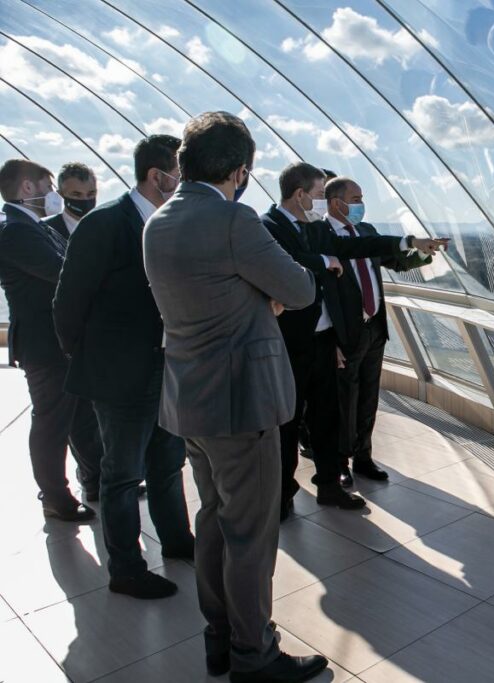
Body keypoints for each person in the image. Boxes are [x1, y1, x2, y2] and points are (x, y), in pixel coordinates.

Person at [144, 111, 327, 682]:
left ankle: (220, 639)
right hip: (241, 403)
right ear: (241, 170)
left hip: (190, 401)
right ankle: (256, 655)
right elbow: (299, 289)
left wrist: (249, 296)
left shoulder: (159, 220)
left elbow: (203, 298)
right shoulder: (233, 221)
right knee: (251, 534)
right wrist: (261, 297)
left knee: (217, 522)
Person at [261, 163, 447, 520]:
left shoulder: (315, 228)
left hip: (325, 338)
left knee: (328, 416)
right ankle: (283, 492)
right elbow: (282, 263)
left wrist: (408, 242)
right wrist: (323, 261)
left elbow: (356, 245)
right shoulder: (268, 227)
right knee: (287, 421)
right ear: (299, 195)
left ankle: (329, 485)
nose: (322, 202)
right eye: (319, 195)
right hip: (292, 343)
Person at [53, 135, 195, 601]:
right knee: (121, 474)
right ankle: (127, 569)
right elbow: (68, 303)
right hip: (119, 377)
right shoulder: (105, 224)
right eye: (182, 174)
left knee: (168, 463)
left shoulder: (175, 224)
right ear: (158, 176)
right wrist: (93, 359)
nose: (186, 185)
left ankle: (177, 541)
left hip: (167, 370)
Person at [0, 159, 101, 522]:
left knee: (79, 416)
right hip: (45, 345)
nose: (52, 195)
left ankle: (95, 478)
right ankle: (55, 496)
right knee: (52, 422)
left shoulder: (31, 227)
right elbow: (64, 270)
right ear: (28, 188)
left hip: (60, 341)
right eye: (48, 186)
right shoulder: (15, 231)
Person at [323, 177, 437, 486]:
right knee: (343, 400)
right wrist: (329, 341)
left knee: (368, 396)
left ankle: (363, 457)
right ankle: (341, 461)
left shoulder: (367, 232)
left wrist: (423, 253)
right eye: (356, 198)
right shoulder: (321, 236)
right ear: (336, 203)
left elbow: (396, 262)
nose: (362, 204)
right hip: (344, 332)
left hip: (373, 327)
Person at [44, 162, 97, 239]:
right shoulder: (45, 229)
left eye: (91, 194)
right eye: (76, 194)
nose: (85, 199)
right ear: (61, 194)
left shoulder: (110, 227)